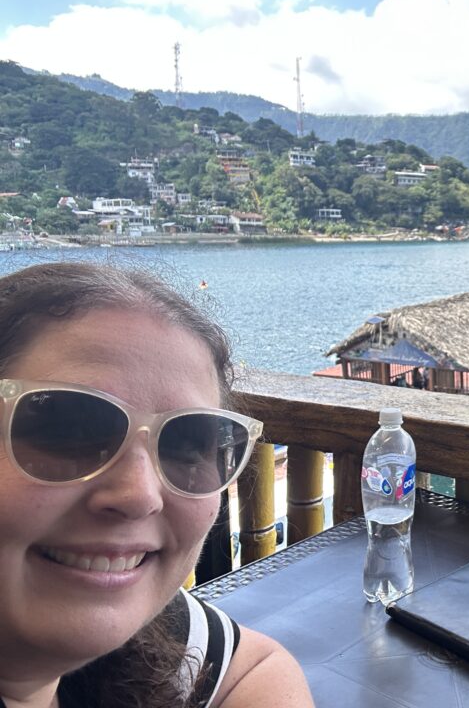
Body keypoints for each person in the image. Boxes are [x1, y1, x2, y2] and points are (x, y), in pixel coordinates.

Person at [0, 262, 314, 708]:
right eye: (66, 430)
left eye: (188, 444)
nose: (139, 495)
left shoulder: (133, 637)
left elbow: (256, 664)